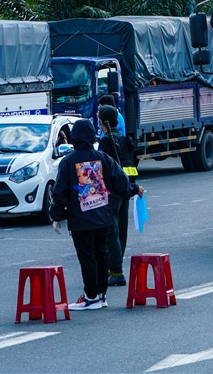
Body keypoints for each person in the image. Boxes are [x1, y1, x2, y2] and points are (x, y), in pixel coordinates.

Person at [50, 119, 131, 311]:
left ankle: (91, 296)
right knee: (102, 254)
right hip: (103, 215)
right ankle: (101, 295)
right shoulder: (102, 157)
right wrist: (134, 189)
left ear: (74, 137)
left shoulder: (68, 161)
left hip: (81, 218)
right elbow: (120, 181)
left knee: (87, 257)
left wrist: (56, 215)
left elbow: (60, 191)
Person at [97, 105, 143, 287]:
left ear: (103, 122)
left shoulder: (106, 142)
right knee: (120, 231)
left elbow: (103, 170)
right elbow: (129, 168)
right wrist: (132, 187)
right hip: (126, 191)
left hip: (112, 193)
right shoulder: (124, 141)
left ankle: (116, 271)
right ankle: (115, 267)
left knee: (111, 232)